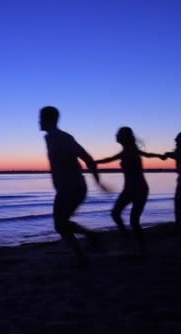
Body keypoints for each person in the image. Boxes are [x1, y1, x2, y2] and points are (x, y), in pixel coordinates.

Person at [39, 106, 107, 265]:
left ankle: (83, 253)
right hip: (64, 188)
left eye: (41, 117)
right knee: (60, 224)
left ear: (49, 119)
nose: (39, 121)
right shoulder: (49, 138)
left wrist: (98, 182)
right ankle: (88, 240)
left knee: (61, 224)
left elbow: (88, 158)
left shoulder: (63, 138)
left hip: (74, 188)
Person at [95, 127, 166, 252]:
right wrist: (92, 161)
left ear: (124, 137)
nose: (115, 136)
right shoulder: (128, 150)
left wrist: (160, 156)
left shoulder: (131, 150)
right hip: (129, 189)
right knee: (117, 214)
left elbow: (147, 155)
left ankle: (139, 244)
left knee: (132, 220)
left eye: (118, 134)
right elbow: (147, 155)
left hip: (139, 188)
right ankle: (130, 238)